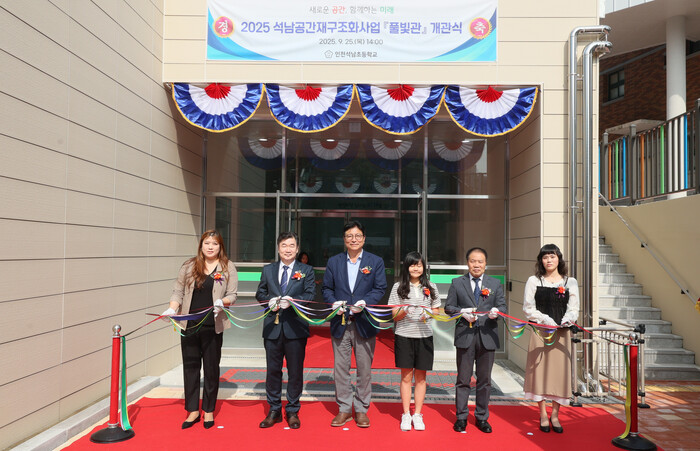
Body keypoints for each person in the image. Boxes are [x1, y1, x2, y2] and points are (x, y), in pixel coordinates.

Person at [162, 230, 238, 430]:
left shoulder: (227, 266)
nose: (210, 247)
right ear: (201, 245)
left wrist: (223, 301)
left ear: (220, 246)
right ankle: (193, 410)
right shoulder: (189, 265)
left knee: (211, 368)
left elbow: (233, 294)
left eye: (215, 243)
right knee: (191, 367)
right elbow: (178, 291)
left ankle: (209, 410)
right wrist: (172, 308)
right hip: (189, 324)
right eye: (207, 243)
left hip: (213, 325)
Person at [322, 220, 387, 428]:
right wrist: (333, 303)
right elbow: (326, 288)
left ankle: (361, 409)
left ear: (364, 239)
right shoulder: (334, 262)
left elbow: (380, 288)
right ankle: (344, 408)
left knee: (364, 369)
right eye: (349, 236)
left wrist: (365, 302)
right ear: (344, 239)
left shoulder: (375, 261)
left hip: (364, 321)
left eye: (357, 235)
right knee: (340, 368)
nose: (354, 239)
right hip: (340, 321)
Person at [255, 232, 316, 430]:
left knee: (295, 371)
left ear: (297, 249)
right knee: (273, 370)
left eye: (291, 246)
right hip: (272, 328)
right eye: (284, 245)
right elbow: (260, 293)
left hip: (295, 328)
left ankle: (292, 410)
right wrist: (268, 301)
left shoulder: (306, 270)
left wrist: (294, 302)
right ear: (278, 248)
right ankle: (273, 409)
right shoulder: (268, 270)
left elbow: (310, 294)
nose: (288, 249)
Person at [444, 247, 507, 433]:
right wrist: (462, 313)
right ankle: (461, 417)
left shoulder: (494, 283)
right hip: (465, 336)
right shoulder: (457, 283)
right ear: (467, 263)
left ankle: (481, 417)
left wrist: (497, 312)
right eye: (473, 261)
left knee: (484, 380)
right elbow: (449, 307)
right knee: (463, 379)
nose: (476, 265)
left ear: (485, 264)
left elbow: (502, 307)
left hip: (487, 336)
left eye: (480, 261)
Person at [523, 244, 579, 434]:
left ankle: (555, 415)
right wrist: (544, 319)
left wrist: (567, 320)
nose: (549, 260)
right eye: (545, 257)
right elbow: (528, 307)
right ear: (541, 260)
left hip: (562, 333)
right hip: (540, 332)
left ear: (559, 259)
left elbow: (574, 307)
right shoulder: (534, 280)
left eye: (552, 256)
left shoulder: (570, 281)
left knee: (559, 374)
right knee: (538, 372)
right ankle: (542, 414)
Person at [389, 251, 441, 431]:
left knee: (421, 377)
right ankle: (406, 413)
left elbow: (437, 311)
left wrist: (428, 314)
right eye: (412, 265)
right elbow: (394, 316)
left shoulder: (431, 286)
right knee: (406, 377)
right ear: (406, 267)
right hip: (404, 335)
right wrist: (405, 311)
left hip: (424, 336)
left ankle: (417, 414)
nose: (416, 268)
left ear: (424, 267)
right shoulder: (398, 287)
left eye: (419, 265)